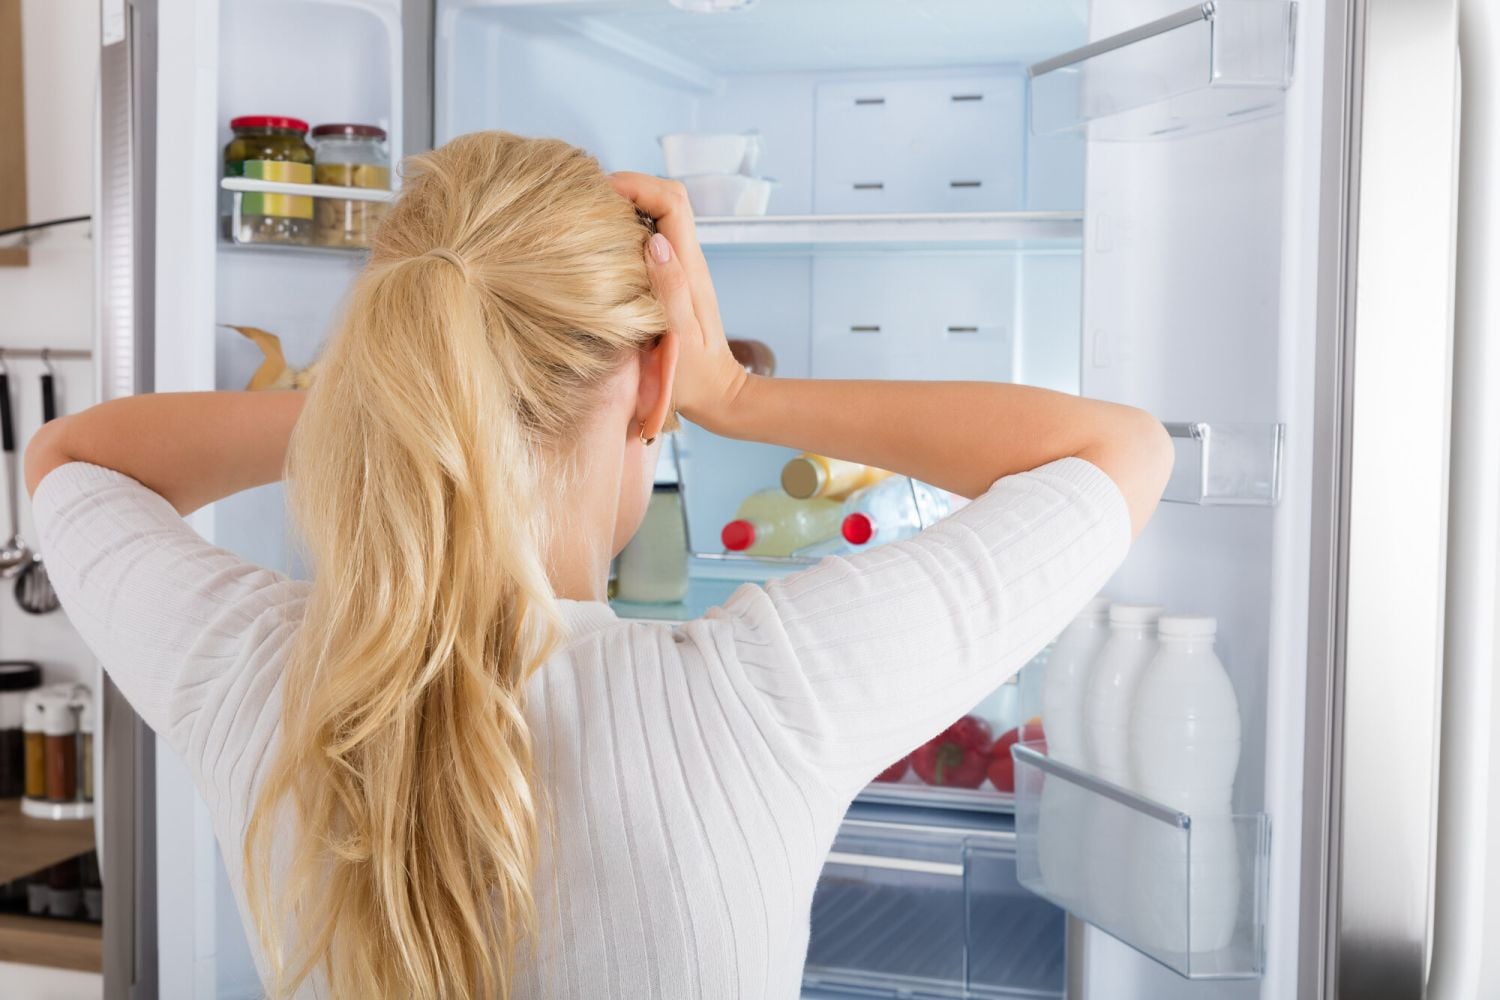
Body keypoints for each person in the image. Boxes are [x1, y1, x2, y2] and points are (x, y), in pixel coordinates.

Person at [24, 131, 1172, 999]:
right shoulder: (766, 694)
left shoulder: (255, 675)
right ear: (653, 388)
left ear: (384, 374)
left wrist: (398, 402)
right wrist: (739, 392)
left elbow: (72, 460)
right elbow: (1118, 450)